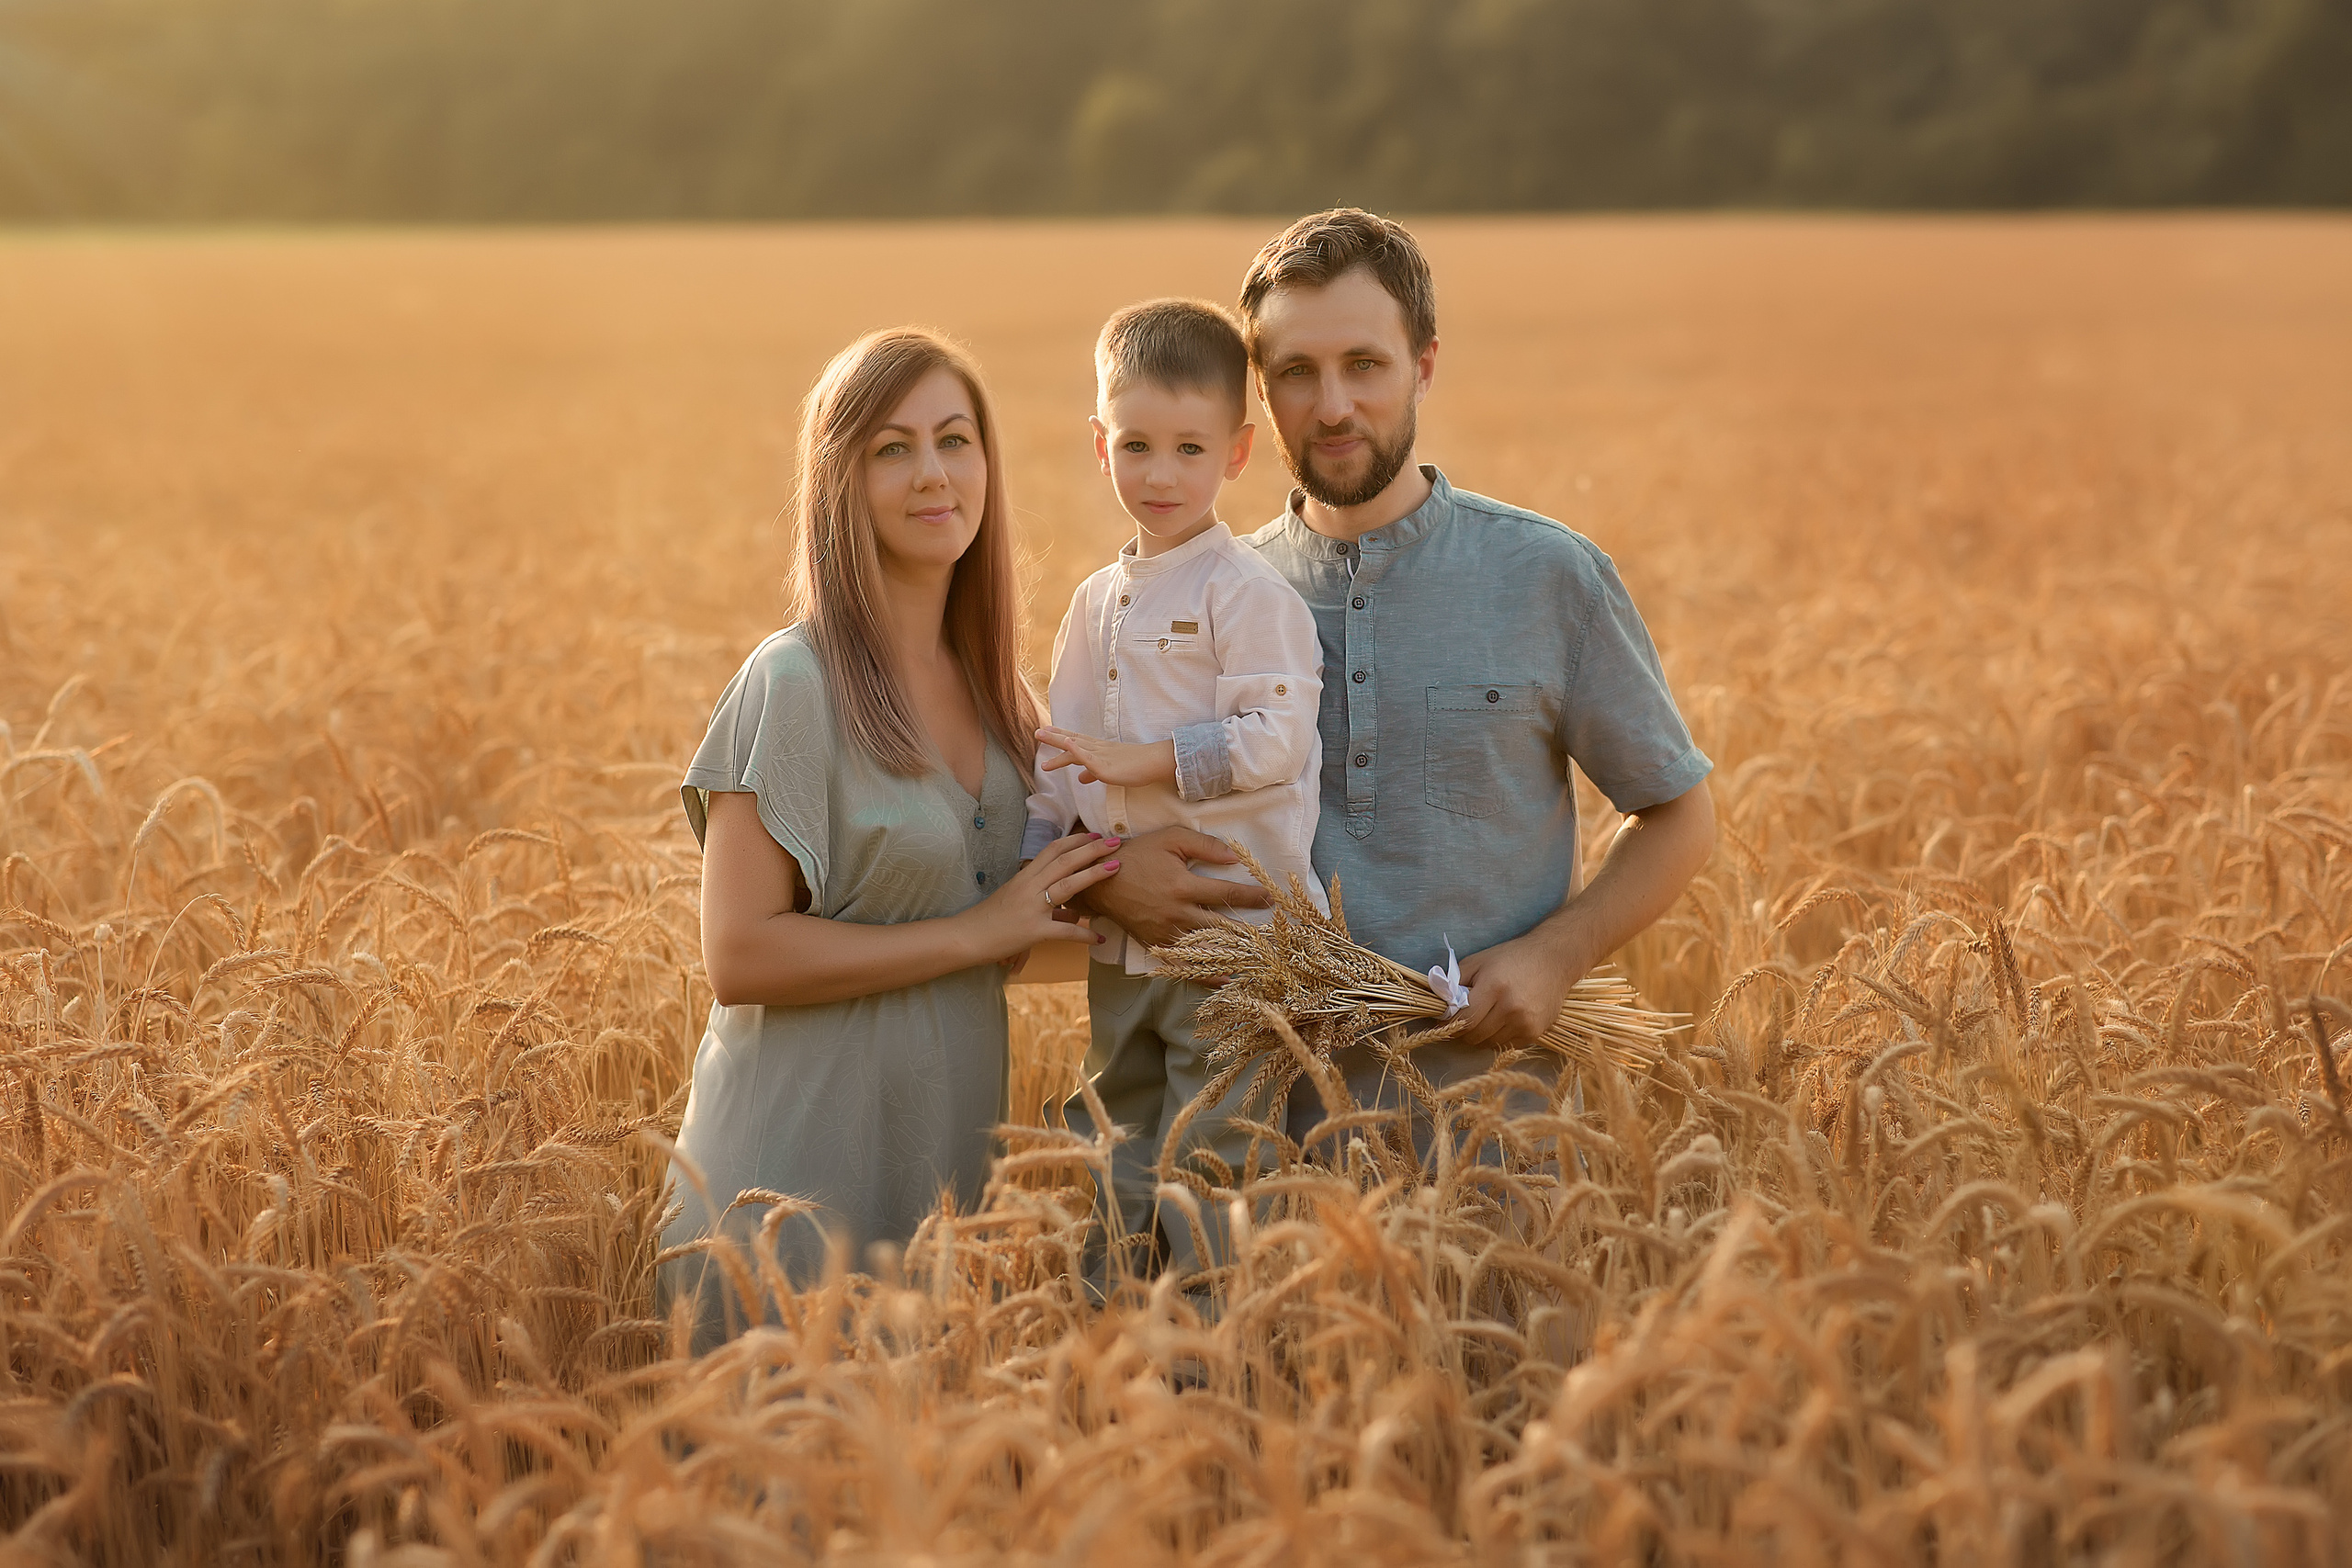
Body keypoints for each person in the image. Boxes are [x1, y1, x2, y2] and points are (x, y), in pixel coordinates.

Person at [1072, 209, 1718, 1151]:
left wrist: (1553, 958)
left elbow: (1680, 816)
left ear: (1422, 364)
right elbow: (1109, 808)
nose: (1332, 406)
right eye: (1296, 373)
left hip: (1498, 1155)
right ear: (1260, 398)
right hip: (1256, 1157)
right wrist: (1108, 882)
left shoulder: (1548, 577)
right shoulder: (1210, 600)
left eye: (1363, 365)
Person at [659, 327, 1120, 1352]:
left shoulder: (1005, 701)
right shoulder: (791, 684)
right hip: (777, 1197)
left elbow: (1016, 928)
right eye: (891, 449)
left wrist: (1173, 938)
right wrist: (977, 932)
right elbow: (740, 955)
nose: (933, 475)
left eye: (954, 440)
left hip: (936, 1195)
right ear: (840, 482)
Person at [1023, 299, 1325, 1282]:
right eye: (1137, 445)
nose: (1160, 475)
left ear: (1237, 455)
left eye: (1189, 449)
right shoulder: (1092, 602)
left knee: (1218, 1147)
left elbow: (1276, 741)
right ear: (1098, 442)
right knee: (1115, 1119)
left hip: (1231, 937)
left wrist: (1146, 761)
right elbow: (1056, 754)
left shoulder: (1247, 595)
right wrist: (1043, 865)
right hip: (1124, 935)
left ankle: (1209, 1348)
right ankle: (1114, 1330)